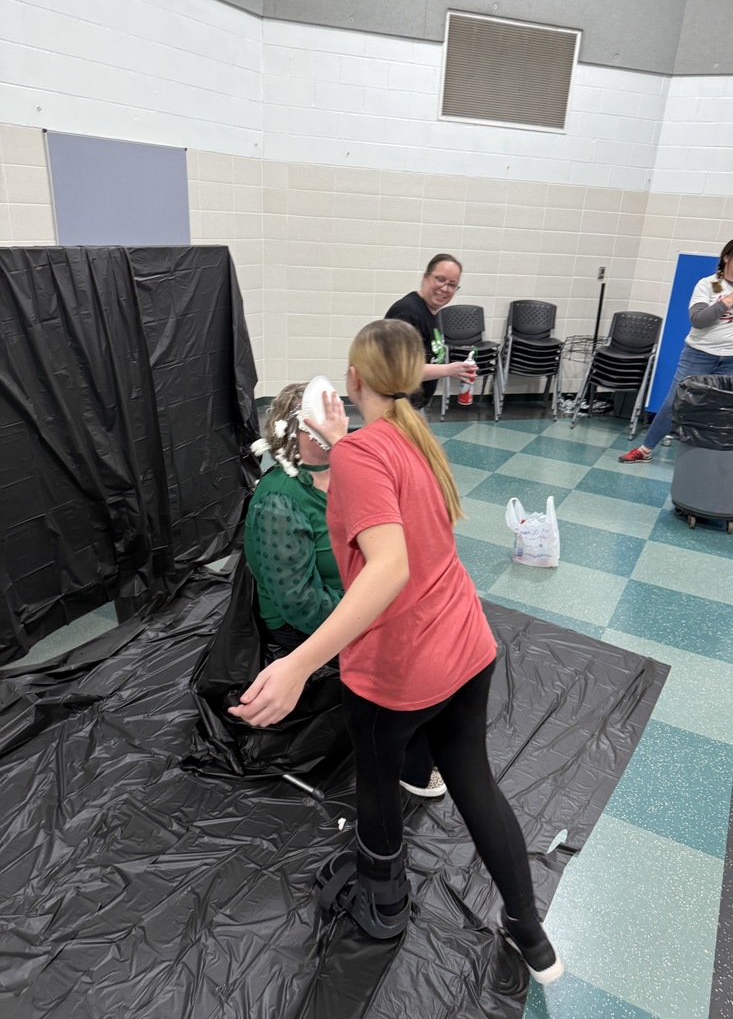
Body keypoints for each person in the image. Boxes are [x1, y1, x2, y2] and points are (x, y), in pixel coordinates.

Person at [229, 322, 563, 985]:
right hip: (467, 645)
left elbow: (388, 570)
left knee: (376, 787)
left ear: (355, 382)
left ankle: (382, 897)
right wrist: (338, 441)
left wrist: (296, 665)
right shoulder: (411, 436)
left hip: (401, 667)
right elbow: (371, 471)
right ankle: (530, 930)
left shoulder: (357, 457)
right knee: (475, 780)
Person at [244, 381, 446, 797]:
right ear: (290, 432)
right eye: (313, 424)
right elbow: (300, 604)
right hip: (309, 623)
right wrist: (376, 615)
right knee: (414, 656)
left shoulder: (346, 468)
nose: (330, 429)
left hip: (357, 600)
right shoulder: (279, 501)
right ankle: (411, 766)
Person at [620, 237, 733, 463]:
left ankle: (707, 460)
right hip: (699, 353)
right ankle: (645, 449)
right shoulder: (707, 284)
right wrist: (730, 298)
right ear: (727, 257)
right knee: (675, 402)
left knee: (722, 409)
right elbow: (698, 320)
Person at [385, 253, 478, 408]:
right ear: (426, 277)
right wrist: (448, 370)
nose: (445, 288)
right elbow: (403, 369)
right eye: (440, 279)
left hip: (413, 406)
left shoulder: (432, 311)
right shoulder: (407, 312)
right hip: (395, 407)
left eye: (452, 284)